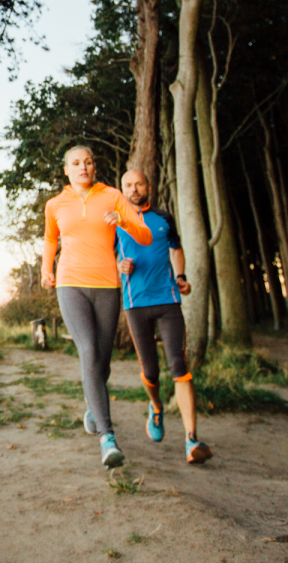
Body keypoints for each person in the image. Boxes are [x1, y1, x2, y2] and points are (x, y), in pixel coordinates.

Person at [41, 145, 150, 468]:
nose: (83, 167)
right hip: (70, 284)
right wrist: (47, 267)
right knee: (88, 351)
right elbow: (50, 239)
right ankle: (108, 436)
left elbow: (144, 236)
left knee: (102, 361)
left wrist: (123, 221)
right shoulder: (55, 204)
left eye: (88, 162)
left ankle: (93, 404)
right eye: (76, 163)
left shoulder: (114, 196)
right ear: (66, 170)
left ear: (94, 167)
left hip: (107, 286)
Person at [116, 169, 213, 464]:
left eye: (139, 184)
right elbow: (109, 258)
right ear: (123, 190)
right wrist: (120, 265)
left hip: (168, 300)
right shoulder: (116, 221)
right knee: (151, 371)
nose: (134, 189)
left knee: (179, 366)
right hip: (135, 303)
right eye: (128, 185)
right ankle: (156, 406)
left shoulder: (164, 218)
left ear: (148, 186)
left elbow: (176, 248)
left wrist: (181, 276)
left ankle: (191, 440)